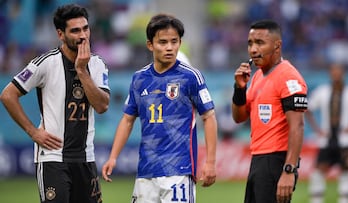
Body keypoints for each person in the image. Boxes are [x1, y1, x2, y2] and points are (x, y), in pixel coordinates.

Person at [102, 13, 217, 203]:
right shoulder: (139, 79)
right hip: (146, 171)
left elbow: (209, 117)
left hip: (179, 170)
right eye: (163, 42)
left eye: (174, 41)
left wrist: (210, 162)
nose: (169, 47)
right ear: (150, 45)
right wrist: (113, 157)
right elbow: (127, 119)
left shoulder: (191, 77)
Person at [0, 4, 110, 203]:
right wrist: (33, 132)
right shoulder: (45, 63)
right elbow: (8, 95)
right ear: (61, 34)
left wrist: (82, 71)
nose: (83, 35)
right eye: (75, 31)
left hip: (86, 157)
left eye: (85, 28)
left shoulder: (97, 64)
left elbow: (102, 106)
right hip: (52, 158)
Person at [231, 19, 308, 203]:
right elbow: (239, 117)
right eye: (250, 43)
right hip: (258, 159)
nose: (253, 49)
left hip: (276, 162)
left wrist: (289, 170)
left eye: (260, 43)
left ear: (277, 46)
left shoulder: (289, 77)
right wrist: (239, 89)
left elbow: (297, 126)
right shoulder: (258, 76)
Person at [306, 63, 348, 203]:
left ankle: (344, 200)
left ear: (343, 74)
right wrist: (317, 129)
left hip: (345, 139)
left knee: (346, 172)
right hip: (327, 139)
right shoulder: (323, 91)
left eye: (339, 71)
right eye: (334, 71)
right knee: (319, 171)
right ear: (330, 74)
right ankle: (316, 200)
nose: (336, 74)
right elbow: (308, 109)